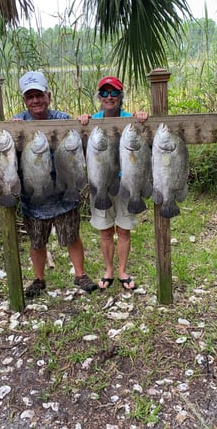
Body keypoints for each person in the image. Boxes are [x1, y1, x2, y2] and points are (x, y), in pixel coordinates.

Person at [12, 70, 97, 298]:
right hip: (34, 196)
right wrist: (12, 131)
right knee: (36, 240)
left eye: (39, 95)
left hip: (64, 194)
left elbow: (83, 138)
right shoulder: (18, 123)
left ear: (48, 95)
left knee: (72, 236)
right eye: (30, 97)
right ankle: (39, 279)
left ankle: (80, 275)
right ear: (25, 100)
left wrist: (82, 122)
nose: (35, 100)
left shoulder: (62, 119)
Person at [78, 76, 148, 291]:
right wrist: (81, 120)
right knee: (106, 230)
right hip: (101, 184)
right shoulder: (92, 121)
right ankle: (108, 270)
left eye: (114, 92)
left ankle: (122, 271)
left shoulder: (131, 120)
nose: (110, 97)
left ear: (121, 96)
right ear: (99, 97)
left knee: (124, 229)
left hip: (126, 182)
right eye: (105, 93)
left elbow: (145, 138)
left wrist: (142, 117)